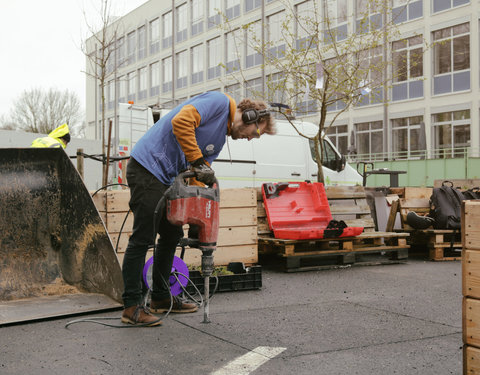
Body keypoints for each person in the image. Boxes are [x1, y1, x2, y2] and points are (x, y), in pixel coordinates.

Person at [121, 91, 276, 326]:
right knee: (143, 237)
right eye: (256, 132)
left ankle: (161, 298)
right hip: (147, 168)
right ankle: (131, 307)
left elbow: (197, 177)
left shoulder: (220, 141)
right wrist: (196, 160)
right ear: (249, 116)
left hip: (165, 179)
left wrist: (195, 220)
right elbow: (181, 121)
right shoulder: (218, 103)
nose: (251, 138)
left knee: (172, 233)